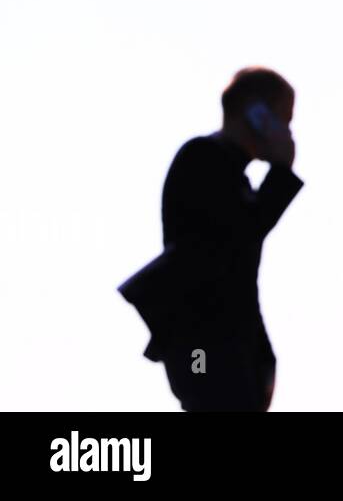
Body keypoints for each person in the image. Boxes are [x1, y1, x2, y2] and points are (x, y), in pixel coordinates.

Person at [120, 68, 304, 411]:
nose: (288, 131)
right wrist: (281, 174)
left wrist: (261, 359)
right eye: (283, 118)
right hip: (201, 348)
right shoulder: (202, 159)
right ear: (256, 113)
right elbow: (240, 234)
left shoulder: (225, 172)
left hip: (210, 347)